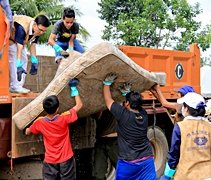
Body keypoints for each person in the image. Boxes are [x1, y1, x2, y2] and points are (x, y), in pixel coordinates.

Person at [25, 78, 83, 180]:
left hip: (50, 161)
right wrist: (74, 88)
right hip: (66, 159)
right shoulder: (64, 118)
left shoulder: (40, 122)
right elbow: (79, 105)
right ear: (57, 109)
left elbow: (28, 132)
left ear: (44, 109)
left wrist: (26, 129)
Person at [103, 72, 156, 180]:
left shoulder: (123, 115)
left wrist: (107, 83)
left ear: (127, 104)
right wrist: (126, 94)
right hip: (146, 161)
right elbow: (137, 106)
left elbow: (108, 100)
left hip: (128, 163)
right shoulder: (144, 115)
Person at [160, 92, 211, 180]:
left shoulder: (180, 127)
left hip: (185, 175)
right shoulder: (209, 126)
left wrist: (167, 174)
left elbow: (174, 154)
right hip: (207, 175)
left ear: (186, 109)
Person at [9, 14, 50, 93]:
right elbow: (19, 47)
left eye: (44, 31)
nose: (41, 33)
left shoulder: (37, 30)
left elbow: (33, 45)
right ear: (35, 24)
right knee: (15, 55)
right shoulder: (22, 27)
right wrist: (18, 63)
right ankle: (14, 86)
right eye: (41, 30)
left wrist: (34, 60)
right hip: (8, 38)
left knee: (24, 59)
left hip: (17, 42)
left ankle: (19, 85)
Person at [92, 109, 118, 180]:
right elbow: (97, 116)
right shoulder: (97, 106)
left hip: (114, 140)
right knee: (98, 174)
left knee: (123, 170)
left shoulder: (115, 104)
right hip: (101, 141)